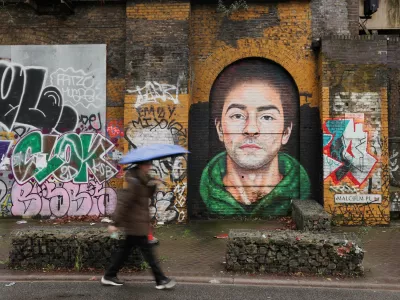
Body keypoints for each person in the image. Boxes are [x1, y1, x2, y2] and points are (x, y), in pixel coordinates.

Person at [200, 59, 310, 217]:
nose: (251, 129)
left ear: (286, 132)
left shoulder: (305, 190)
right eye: (237, 115)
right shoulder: (202, 194)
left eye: (267, 117)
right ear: (219, 129)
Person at [101, 161, 176, 289]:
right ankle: (161, 279)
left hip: (138, 223)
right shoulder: (134, 181)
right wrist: (115, 223)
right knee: (148, 254)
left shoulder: (142, 179)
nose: (150, 167)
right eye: (147, 165)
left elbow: (146, 194)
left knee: (125, 252)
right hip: (135, 224)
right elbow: (124, 203)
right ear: (141, 165)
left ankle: (109, 275)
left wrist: (153, 185)